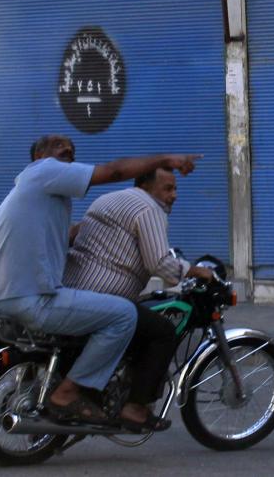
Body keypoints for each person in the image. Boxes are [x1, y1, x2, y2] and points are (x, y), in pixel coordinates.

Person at [0, 134, 201, 426]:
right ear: (39, 158)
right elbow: (115, 172)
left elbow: (65, 235)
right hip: (32, 297)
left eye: (71, 147)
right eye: (58, 146)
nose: (68, 149)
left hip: (4, 294)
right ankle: (69, 394)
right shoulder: (45, 173)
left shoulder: (40, 197)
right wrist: (165, 158)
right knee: (125, 315)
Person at [63, 167, 214, 432]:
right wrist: (196, 270)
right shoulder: (148, 209)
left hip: (74, 288)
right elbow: (160, 263)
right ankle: (135, 408)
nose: (174, 195)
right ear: (145, 185)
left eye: (175, 189)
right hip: (105, 296)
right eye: (167, 188)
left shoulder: (107, 199)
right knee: (163, 332)